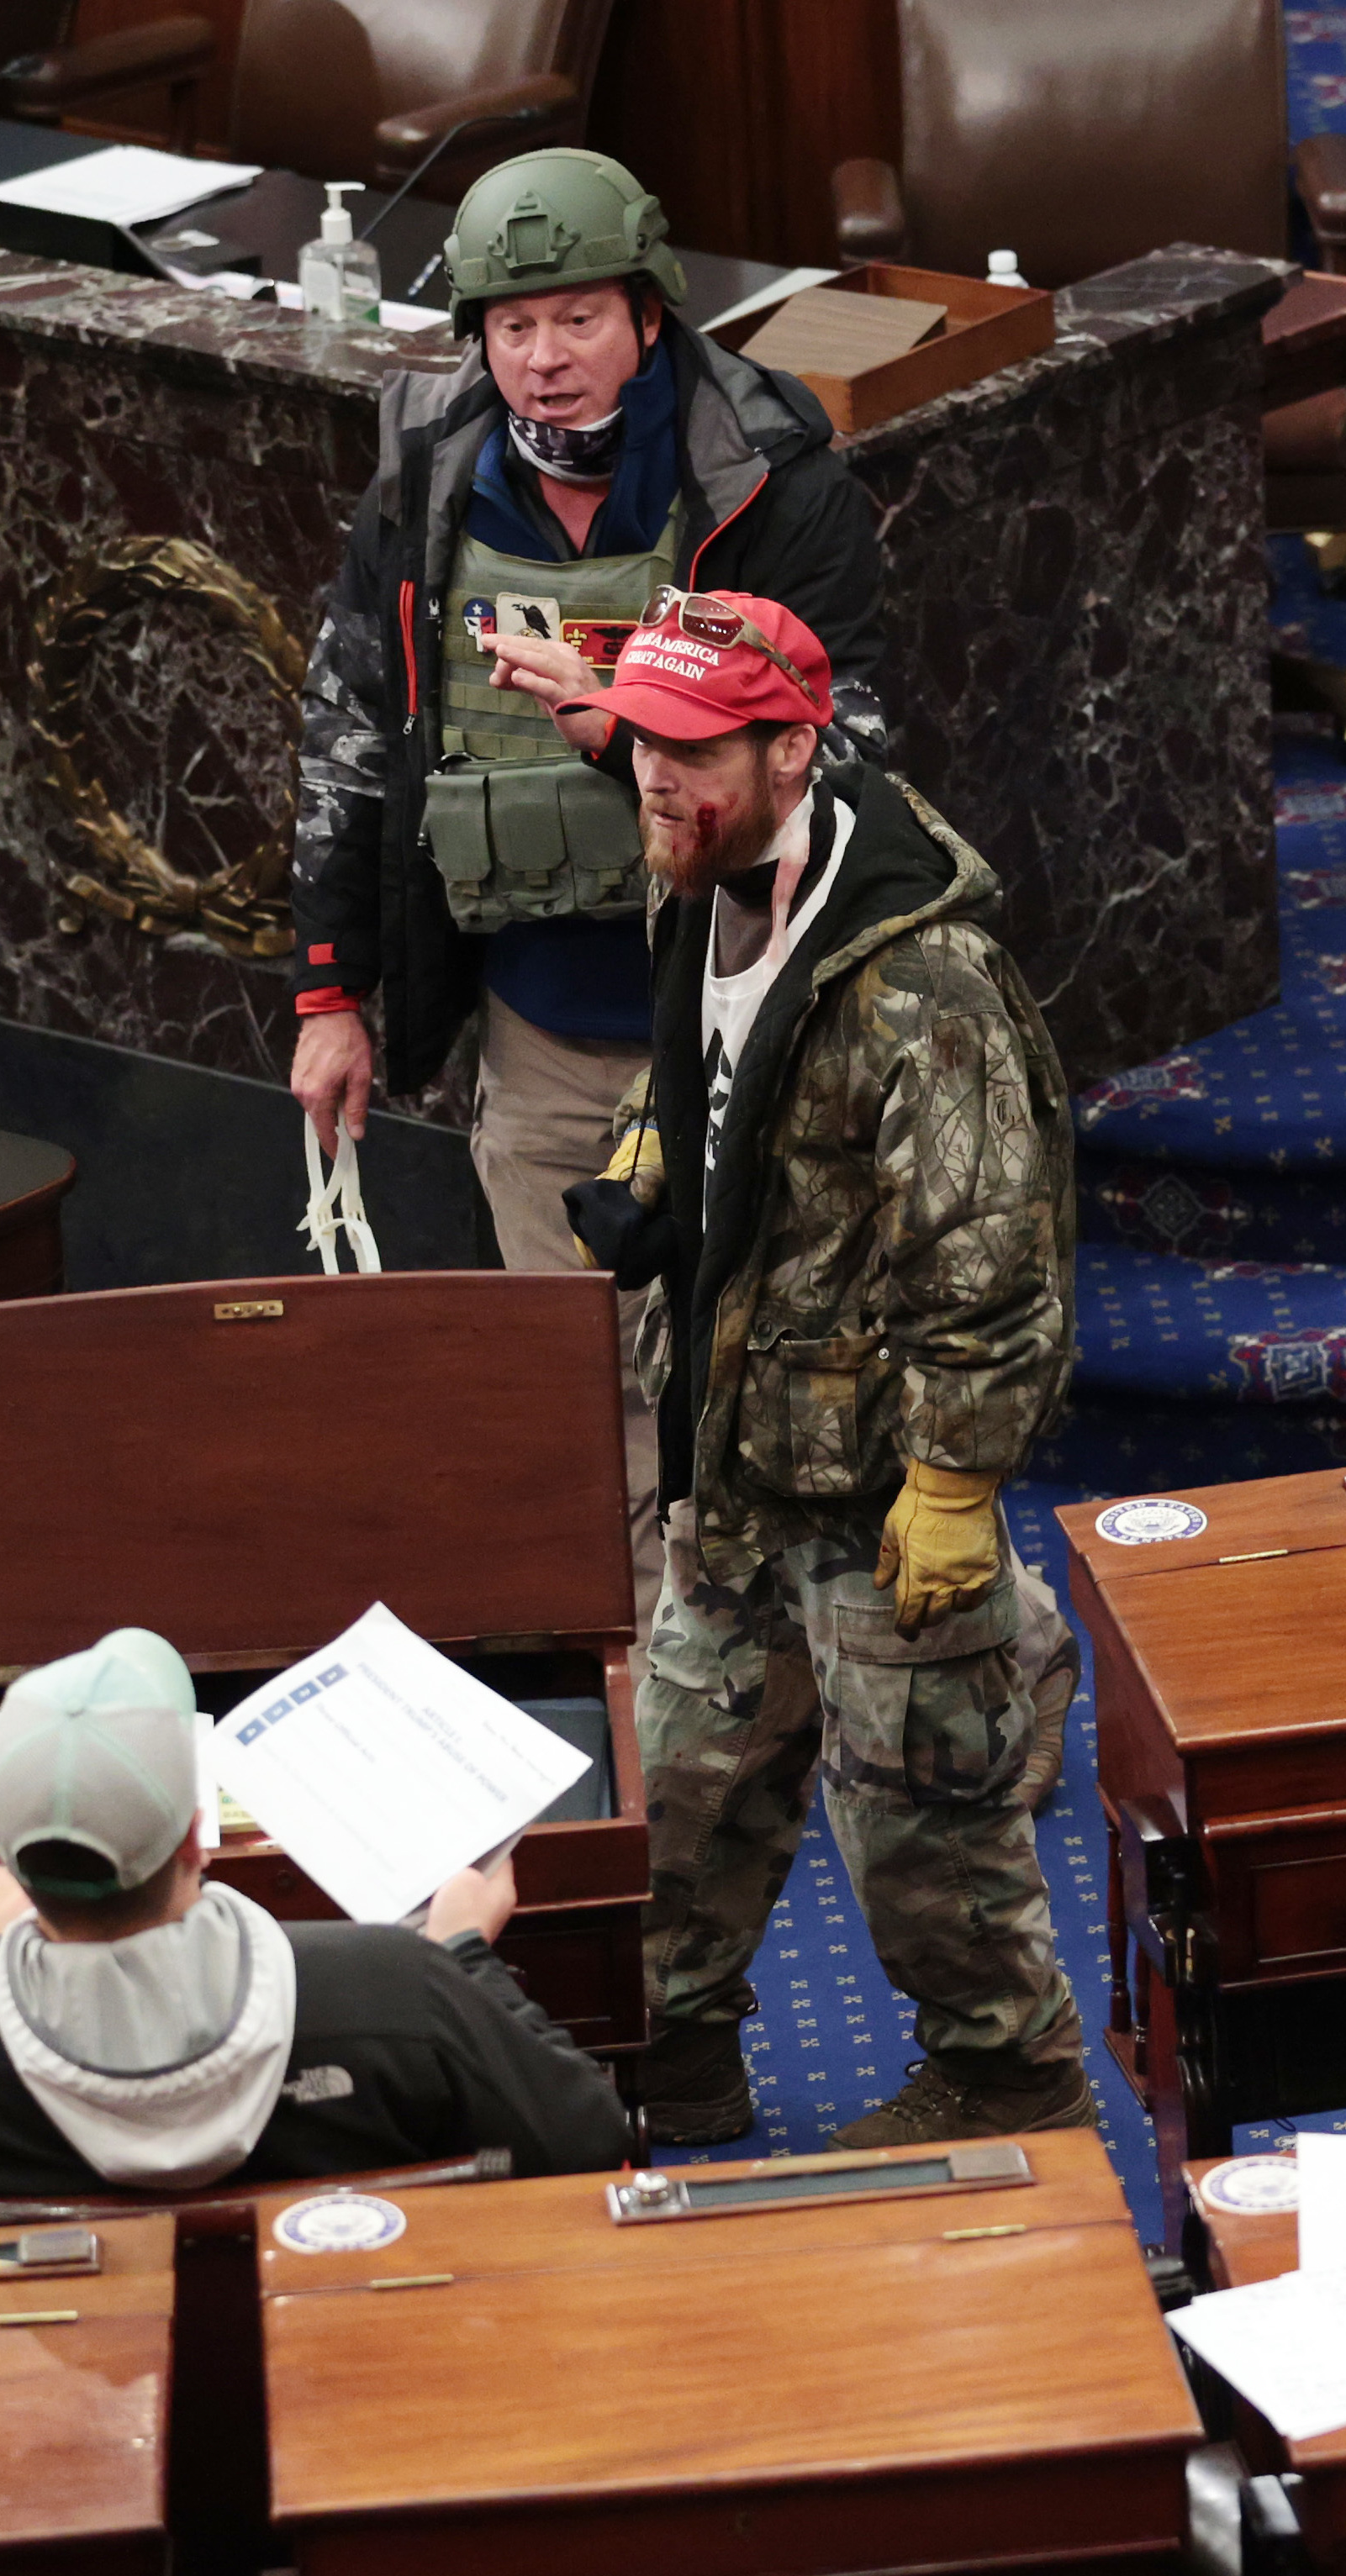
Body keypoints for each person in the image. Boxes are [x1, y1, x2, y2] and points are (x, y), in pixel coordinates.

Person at [286, 147, 888, 1628]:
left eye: (575, 320)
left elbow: (852, 752)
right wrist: (327, 993)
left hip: (742, 1021)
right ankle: (653, 1706)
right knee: (582, 1385)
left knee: (779, 1363)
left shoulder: (767, 476)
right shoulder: (429, 472)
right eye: (509, 328)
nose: (542, 362)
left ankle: (822, 1676)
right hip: (540, 1028)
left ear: (648, 309)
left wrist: (631, 731)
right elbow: (351, 737)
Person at [558, 590, 1087, 2149]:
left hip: (877, 1492)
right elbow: (722, 1069)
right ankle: (675, 2060)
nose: (653, 774)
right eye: (644, 739)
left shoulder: (926, 987)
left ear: (793, 749)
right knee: (680, 1801)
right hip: (732, 1456)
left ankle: (1013, 2084)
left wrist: (951, 1483)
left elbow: (991, 1258)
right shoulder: (702, 868)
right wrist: (663, 1155)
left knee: (924, 1837)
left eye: (692, 747)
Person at [0, 1629, 631, 2236]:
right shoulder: (402, 1988)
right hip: (368, 2397)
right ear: (197, 1837)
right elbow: (592, 2143)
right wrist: (465, 1958)